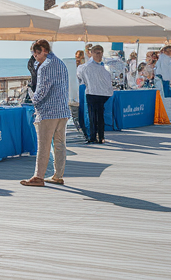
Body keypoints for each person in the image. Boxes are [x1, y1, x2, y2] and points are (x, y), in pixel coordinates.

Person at [22, 39, 69, 187]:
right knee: (60, 144)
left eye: (37, 53)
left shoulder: (45, 66)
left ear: (44, 50)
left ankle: (38, 177)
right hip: (62, 110)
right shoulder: (61, 63)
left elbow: (42, 90)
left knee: (44, 145)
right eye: (33, 53)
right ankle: (58, 175)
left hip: (48, 111)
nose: (35, 56)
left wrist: (32, 96)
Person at [77, 45, 114, 145]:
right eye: (97, 53)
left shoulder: (103, 66)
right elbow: (81, 76)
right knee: (93, 116)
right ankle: (93, 136)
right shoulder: (87, 67)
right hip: (92, 93)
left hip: (101, 94)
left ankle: (100, 136)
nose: (99, 55)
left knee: (100, 116)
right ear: (92, 53)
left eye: (100, 53)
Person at [69, 50, 85, 132]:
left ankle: (81, 130)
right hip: (74, 93)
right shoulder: (72, 67)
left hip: (79, 93)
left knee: (79, 114)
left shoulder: (83, 67)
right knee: (76, 114)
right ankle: (80, 129)